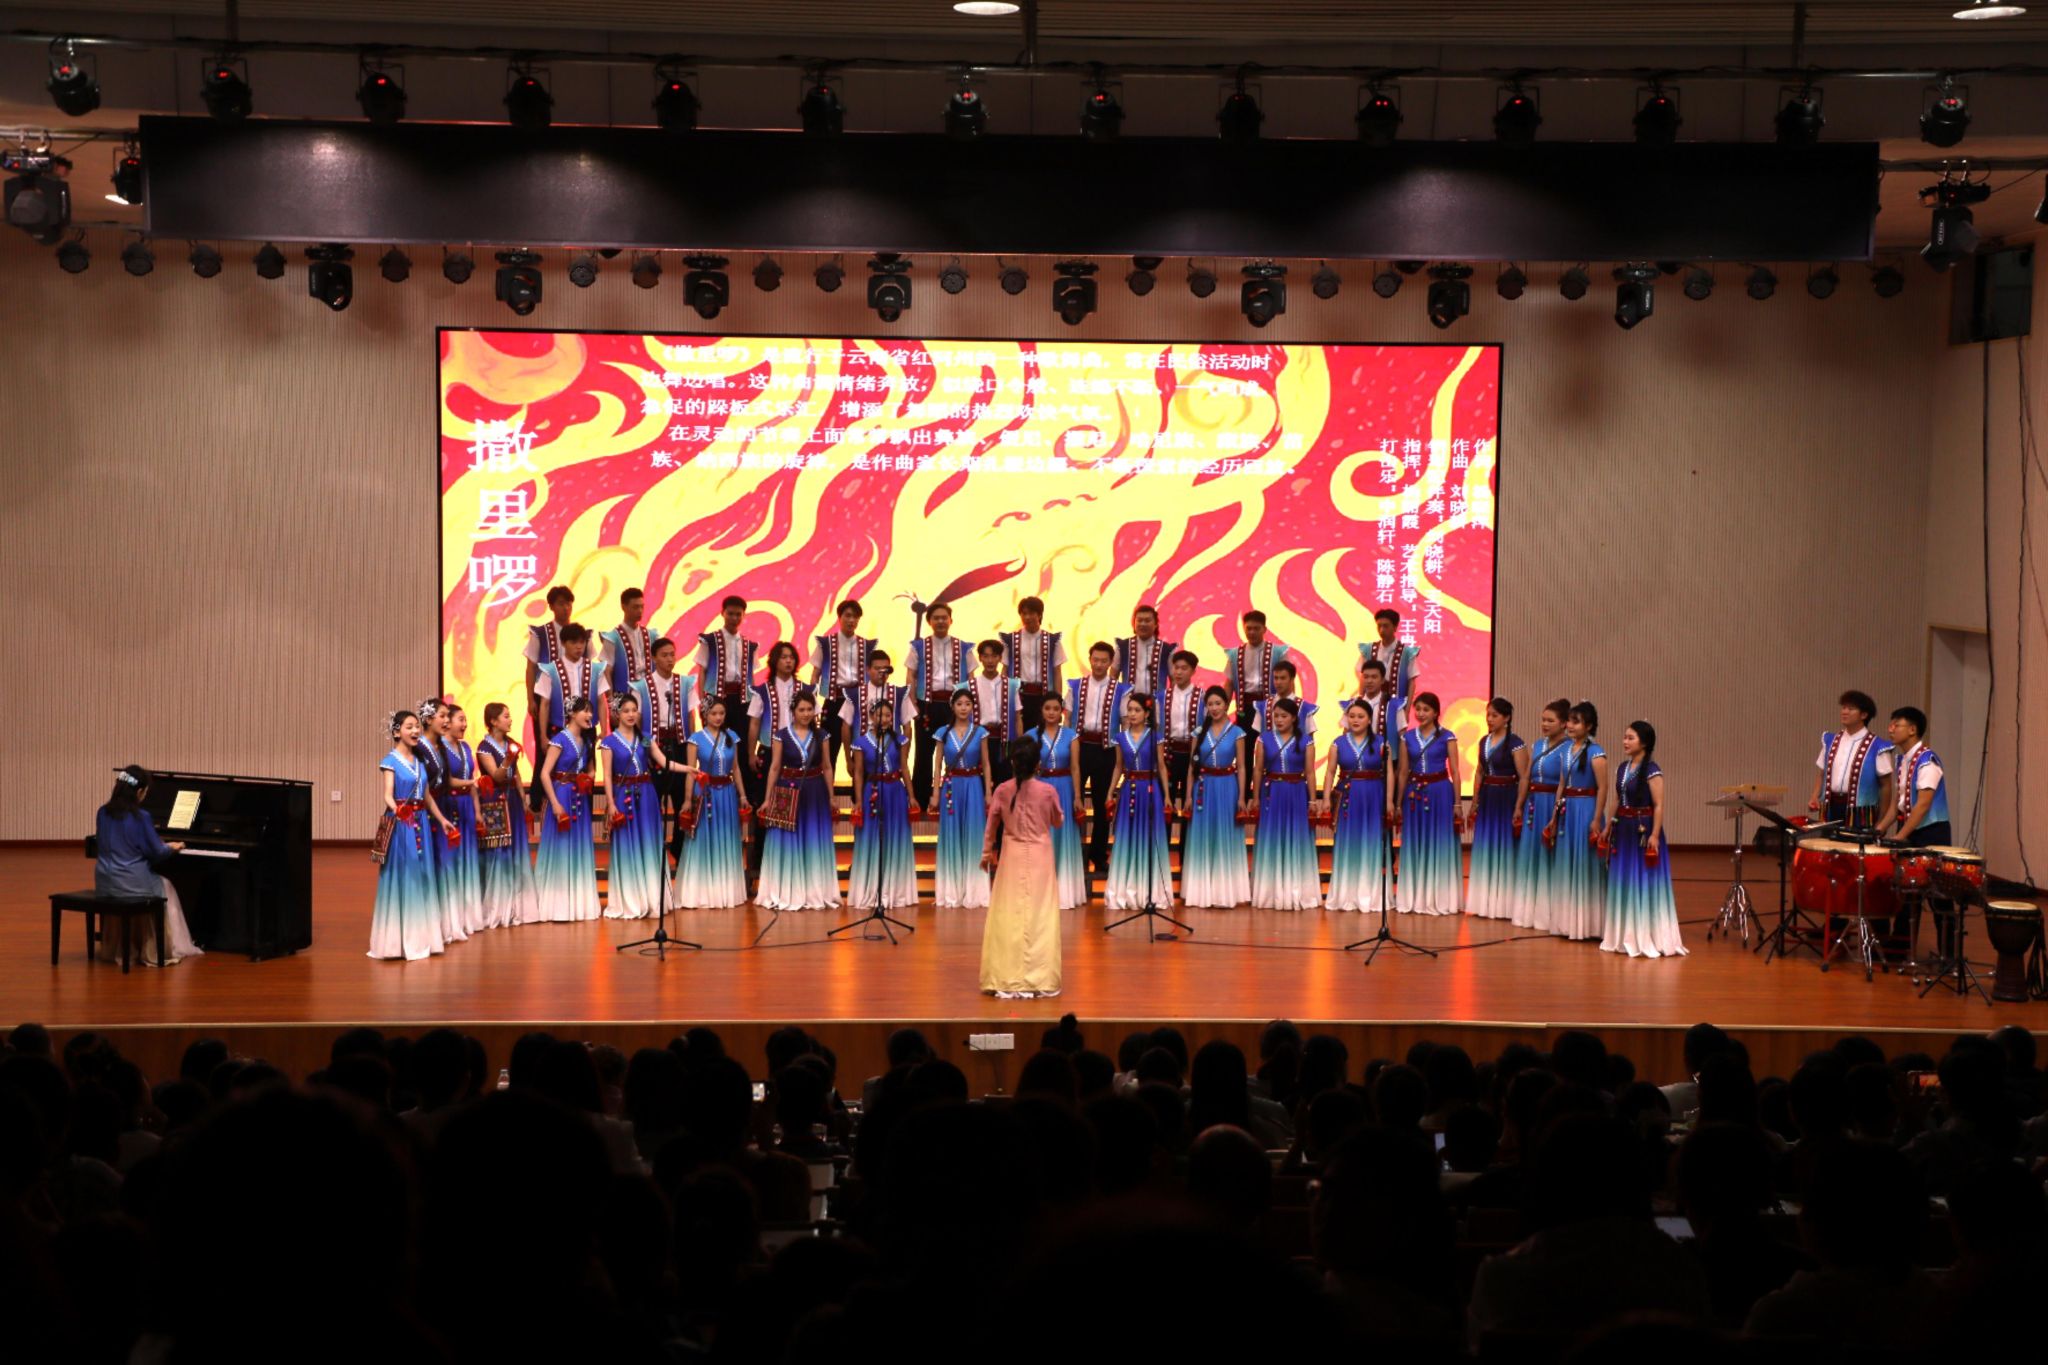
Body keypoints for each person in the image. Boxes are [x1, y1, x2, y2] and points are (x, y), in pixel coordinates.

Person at [980, 736, 1066, 998]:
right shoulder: (1048, 791)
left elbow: (991, 827)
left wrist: (986, 853)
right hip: (1040, 856)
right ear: (1038, 764)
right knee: (1040, 916)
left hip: (1012, 857)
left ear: (1013, 763)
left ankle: (1004, 976)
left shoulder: (1002, 790)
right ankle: (1040, 977)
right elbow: (1058, 821)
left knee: (1008, 914)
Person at [94, 765, 203, 966]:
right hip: (131, 882)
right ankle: (166, 947)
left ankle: (122, 946)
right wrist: (172, 847)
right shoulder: (140, 816)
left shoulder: (103, 812)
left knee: (157, 880)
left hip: (105, 882)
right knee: (167, 886)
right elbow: (157, 852)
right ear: (139, 792)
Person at [369, 712, 451, 961]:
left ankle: (422, 937)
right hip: (402, 823)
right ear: (396, 732)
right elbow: (387, 794)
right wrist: (397, 810)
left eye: (417, 727)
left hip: (421, 822)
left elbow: (427, 797)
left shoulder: (420, 762)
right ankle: (398, 941)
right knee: (405, 875)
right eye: (409, 727)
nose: (415, 731)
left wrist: (442, 820)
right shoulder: (390, 761)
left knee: (423, 874)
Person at [1603, 720, 1686, 958]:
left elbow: (1658, 805)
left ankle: (1647, 933)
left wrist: (1655, 835)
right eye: (1625, 737)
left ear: (1645, 743)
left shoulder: (1652, 770)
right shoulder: (1622, 768)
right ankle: (1624, 933)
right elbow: (1617, 800)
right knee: (1623, 878)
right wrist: (1609, 825)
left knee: (1642, 879)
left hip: (1642, 830)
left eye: (1631, 738)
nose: (1625, 741)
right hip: (1623, 829)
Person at [599, 691, 681, 921]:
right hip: (623, 796)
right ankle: (632, 900)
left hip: (646, 795)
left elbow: (663, 761)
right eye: (626, 711)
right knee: (628, 844)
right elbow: (607, 776)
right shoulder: (608, 742)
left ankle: (653, 898)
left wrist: (688, 769)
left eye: (634, 710)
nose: (631, 714)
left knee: (649, 843)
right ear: (616, 714)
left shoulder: (645, 738)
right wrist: (610, 803)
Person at [758, 693, 839, 910]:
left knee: (812, 838)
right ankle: (787, 890)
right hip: (787, 791)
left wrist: (831, 796)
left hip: (815, 791)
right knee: (787, 841)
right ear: (793, 711)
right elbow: (775, 767)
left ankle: (814, 891)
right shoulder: (781, 735)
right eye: (801, 710)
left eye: (809, 709)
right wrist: (767, 799)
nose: (806, 714)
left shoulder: (822, 735)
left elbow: (827, 766)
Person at [748, 642, 814, 889]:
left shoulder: (806, 689)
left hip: (800, 755)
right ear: (774, 661)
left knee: (801, 809)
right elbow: (754, 723)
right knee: (767, 809)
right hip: (769, 753)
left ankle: (799, 869)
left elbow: (814, 721)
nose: (788, 661)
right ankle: (764, 869)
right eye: (783, 657)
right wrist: (751, 753)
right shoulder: (762, 690)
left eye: (792, 657)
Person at [1393, 691, 1464, 915]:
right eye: (1418, 709)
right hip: (1414, 795)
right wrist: (1398, 803)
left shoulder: (1448, 737)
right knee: (1415, 841)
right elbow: (1403, 772)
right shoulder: (1407, 738)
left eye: (1426, 709)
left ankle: (1439, 897)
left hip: (1440, 793)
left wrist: (1458, 803)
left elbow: (1455, 771)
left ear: (1435, 713)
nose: (1421, 713)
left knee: (1438, 841)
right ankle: (1414, 897)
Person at [675, 696, 747, 908]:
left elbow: (736, 769)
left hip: (727, 793)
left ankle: (725, 890)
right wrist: (687, 799)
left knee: (726, 837)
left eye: (721, 713)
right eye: (714, 713)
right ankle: (702, 892)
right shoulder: (695, 739)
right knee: (703, 839)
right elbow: (691, 772)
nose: (718, 717)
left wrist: (742, 795)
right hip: (705, 793)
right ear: (705, 715)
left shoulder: (732, 736)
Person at [1181, 685, 1250, 909]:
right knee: (1203, 836)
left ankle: (1224, 893)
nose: (1214, 708)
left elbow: (1242, 766)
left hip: (1228, 787)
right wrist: (1188, 795)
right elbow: (1191, 767)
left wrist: (1242, 797)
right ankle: (1201, 892)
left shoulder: (1237, 732)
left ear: (1227, 705)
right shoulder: (1198, 732)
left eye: (1218, 703)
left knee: (1225, 835)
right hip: (1203, 787)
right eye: (1210, 704)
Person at [535, 696, 602, 923]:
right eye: (585, 711)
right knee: (562, 846)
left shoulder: (587, 741)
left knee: (579, 844)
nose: (590, 715)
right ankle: (559, 905)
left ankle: (579, 902)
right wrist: (554, 803)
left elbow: (591, 769)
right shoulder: (559, 740)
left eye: (591, 711)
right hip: (562, 795)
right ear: (572, 713)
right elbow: (545, 774)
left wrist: (588, 777)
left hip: (579, 796)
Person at [1546, 700, 1609, 941]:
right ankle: (1567, 923)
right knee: (1567, 862)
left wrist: (1596, 819)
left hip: (1586, 809)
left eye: (1576, 722)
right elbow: (1561, 785)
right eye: (1569, 721)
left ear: (1589, 726)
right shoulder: (1566, 751)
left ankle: (1589, 925)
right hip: (1568, 811)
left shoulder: (1596, 753)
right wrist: (1554, 816)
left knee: (1585, 863)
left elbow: (1603, 788)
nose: (1570, 726)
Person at [1252, 697, 1322, 910]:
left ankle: (1297, 892)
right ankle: (1270, 893)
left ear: (1293, 718)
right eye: (1276, 716)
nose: (1279, 720)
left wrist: (1313, 800)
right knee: (1271, 838)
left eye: (1284, 716)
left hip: (1296, 793)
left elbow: (1310, 772)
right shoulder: (1264, 739)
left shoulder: (1306, 741)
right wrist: (1255, 797)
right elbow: (1258, 769)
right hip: (1271, 793)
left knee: (1296, 838)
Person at [847, 699, 918, 911]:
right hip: (872, 792)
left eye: (888, 715)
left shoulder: (900, 740)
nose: (884, 719)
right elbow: (859, 773)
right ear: (871, 716)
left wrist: (911, 795)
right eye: (879, 715)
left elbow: (904, 768)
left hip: (895, 791)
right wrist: (858, 800)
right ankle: (870, 889)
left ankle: (894, 889)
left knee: (894, 837)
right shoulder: (860, 742)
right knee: (871, 837)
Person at [1106, 692, 1174, 910]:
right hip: (1129, 790)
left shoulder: (1155, 737)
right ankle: (1125, 889)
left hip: (1150, 790)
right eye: (1130, 710)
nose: (1132, 714)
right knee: (1127, 836)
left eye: (1137, 710)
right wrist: (1111, 792)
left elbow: (1161, 766)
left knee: (1149, 835)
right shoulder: (1120, 738)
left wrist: (1167, 795)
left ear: (1147, 714)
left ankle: (1149, 889)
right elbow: (1118, 766)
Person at [1069, 642, 1131, 881]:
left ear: (1110, 663)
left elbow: (1125, 722)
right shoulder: (1075, 685)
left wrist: (1125, 751)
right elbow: (1067, 720)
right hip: (1080, 748)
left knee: (1103, 805)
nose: (1098, 664)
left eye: (1104, 661)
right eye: (1095, 659)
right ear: (1090, 659)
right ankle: (1074, 854)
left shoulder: (1121, 689)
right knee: (1073, 800)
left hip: (1107, 751)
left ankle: (1098, 854)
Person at [1322, 698, 1390, 913]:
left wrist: (1389, 801)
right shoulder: (1338, 743)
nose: (1355, 720)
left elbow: (1390, 773)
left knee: (1371, 842)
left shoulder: (1382, 743)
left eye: (1361, 716)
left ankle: (1370, 896)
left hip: (1373, 796)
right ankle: (1346, 895)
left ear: (1370, 719)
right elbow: (1330, 772)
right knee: (1348, 843)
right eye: (1351, 716)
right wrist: (1326, 798)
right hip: (1348, 798)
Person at [475, 702, 540, 928]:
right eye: (505, 716)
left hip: (512, 800)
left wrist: (523, 798)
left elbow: (516, 775)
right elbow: (497, 776)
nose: (510, 720)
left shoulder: (510, 743)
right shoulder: (484, 747)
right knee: (498, 849)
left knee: (516, 848)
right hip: (494, 802)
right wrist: (509, 759)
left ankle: (518, 905)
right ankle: (497, 906)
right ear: (493, 721)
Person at [1466, 698, 1529, 921]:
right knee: (1486, 844)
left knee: (1505, 846)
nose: (1489, 719)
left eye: (1495, 715)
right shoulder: (1484, 741)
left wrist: (1519, 806)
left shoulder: (1516, 743)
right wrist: (1475, 801)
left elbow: (1524, 777)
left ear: (1507, 718)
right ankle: (1484, 901)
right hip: (1488, 798)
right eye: (1488, 714)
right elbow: (1479, 772)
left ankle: (1505, 904)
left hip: (1506, 798)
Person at [1514, 699, 1572, 934]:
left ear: (1564, 723)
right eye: (1543, 720)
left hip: (1552, 805)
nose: (1544, 724)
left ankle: (1551, 914)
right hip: (1533, 804)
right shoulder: (1538, 745)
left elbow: (1565, 783)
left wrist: (1557, 812)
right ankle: (1529, 912)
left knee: (1550, 856)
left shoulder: (1569, 748)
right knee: (1531, 855)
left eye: (1550, 720)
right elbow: (1526, 777)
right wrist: (1519, 805)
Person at [910, 600, 974, 810]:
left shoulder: (964, 648)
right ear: (929, 621)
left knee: (956, 750)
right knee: (924, 752)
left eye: (944, 618)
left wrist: (969, 706)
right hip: (927, 706)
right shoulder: (918, 646)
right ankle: (921, 799)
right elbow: (910, 676)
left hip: (955, 707)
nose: (940, 621)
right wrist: (913, 704)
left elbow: (971, 678)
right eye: (936, 618)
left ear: (950, 621)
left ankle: (954, 797)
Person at [935, 688, 994, 909]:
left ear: (972, 707)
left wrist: (988, 792)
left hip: (974, 785)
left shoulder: (981, 732)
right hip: (951, 786)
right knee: (951, 835)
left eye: (967, 704)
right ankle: (951, 891)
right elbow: (937, 765)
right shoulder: (942, 732)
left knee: (974, 835)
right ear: (952, 706)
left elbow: (986, 763)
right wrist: (935, 792)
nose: (963, 708)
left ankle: (975, 891)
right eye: (959, 704)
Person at [414, 699, 467, 946]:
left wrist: (472, 783)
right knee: (428, 866)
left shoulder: (440, 747)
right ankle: (425, 927)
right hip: (426, 812)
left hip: (442, 807)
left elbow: (446, 782)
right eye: (442, 716)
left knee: (444, 864)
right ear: (427, 719)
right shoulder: (419, 748)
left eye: (448, 716)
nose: (446, 721)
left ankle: (444, 925)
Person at [523, 583, 582, 797]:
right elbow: (531, 668)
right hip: (546, 698)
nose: (566, 608)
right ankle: (538, 799)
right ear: (551, 606)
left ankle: (574, 792)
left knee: (578, 747)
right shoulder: (540, 633)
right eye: (561, 604)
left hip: (576, 702)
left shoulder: (581, 634)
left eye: (569, 604)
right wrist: (531, 699)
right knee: (545, 747)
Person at [641, 637, 698, 861]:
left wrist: (692, 745)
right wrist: (645, 750)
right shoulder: (642, 685)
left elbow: (691, 716)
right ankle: (654, 849)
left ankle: (679, 848)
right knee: (653, 797)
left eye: (672, 654)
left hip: (679, 743)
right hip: (654, 746)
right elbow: (638, 722)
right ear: (654, 658)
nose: (669, 659)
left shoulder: (685, 683)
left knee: (682, 796)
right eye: (664, 655)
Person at [438, 703, 488, 937]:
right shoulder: (441, 748)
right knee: (453, 858)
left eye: (466, 720)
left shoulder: (466, 747)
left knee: (469, 857)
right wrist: (472, 783)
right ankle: (452, 916)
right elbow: (447, 781)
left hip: (468, 805)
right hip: (450, 806)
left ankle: (469, 916)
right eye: (461, 720)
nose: (465, 724)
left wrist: (477, 812)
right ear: (447, 722)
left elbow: (472, 781)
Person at [809, 598, 873, 779]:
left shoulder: (866, 646)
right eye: (848, 616)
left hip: (858, 702)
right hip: (834, 700)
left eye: (855, 617)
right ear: (839, 617)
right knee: (829, 749)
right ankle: (827, 793)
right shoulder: (825, 644)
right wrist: (812, 703)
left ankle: (860, 793)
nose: (851, 620)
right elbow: (815, 674)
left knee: (861, 748)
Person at [1808, 689, 1888, 831]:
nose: (1844, 712)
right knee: (1828, 843)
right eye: (1843, 707)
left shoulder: (1877, 746)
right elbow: (1822, 773)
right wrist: (1815, 796)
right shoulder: (1830, 741)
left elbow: (1886, 786)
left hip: (1861, 813)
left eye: (1850, 709)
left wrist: (1882, 821)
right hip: (1831, 807)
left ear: (1864, 715)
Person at [1874, 706, 1951, 847]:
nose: (1890, 730)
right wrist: (1878, 830)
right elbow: (1896, 804)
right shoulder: (1903, 760)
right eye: (1890, 725)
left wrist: (1900, 837)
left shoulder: (1927, 761)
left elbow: (1923, 805)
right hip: (1908, 828)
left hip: (1929, 832)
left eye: (1896, 725)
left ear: (1912, 730)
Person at [1003, 596, 1067, 737]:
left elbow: (1057, 672)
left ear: (1039, 614)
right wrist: (1004, 696)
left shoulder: (1052, 641)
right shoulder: (1011, 640)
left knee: (1042, 735)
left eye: (1031, 613)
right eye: (1024, 613)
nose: (1027, 617)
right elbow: (1005, 670)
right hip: (1019, 695)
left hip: (1043, 695)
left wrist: (1058, 700)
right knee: (1018, 735)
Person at [694, 594, 758, 726]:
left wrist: (754, 702)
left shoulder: (750, 646)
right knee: (716, 736)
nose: (734, 618)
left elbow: (751, 677)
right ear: (722, 613)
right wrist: (702, 702)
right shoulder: (709, 641)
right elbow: (702, 672)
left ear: (744, 615)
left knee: (742, 736)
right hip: (715, 699)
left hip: (742, 701)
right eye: (730, 613)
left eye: (738, 614)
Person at [599, 587, 657, 729]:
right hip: (624, 698)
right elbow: (606, 672)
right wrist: (612, 704)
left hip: (648, 697)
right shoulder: (612, 638)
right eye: (635, 607)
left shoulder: (652, 635)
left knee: (649, 737)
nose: (640, 611)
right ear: (623, 607)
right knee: (625, 739)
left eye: (642, 607)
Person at [1158, 649, 1205, 821]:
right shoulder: (1162, 697)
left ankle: (1187, 838)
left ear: (1193, 671)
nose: (1178, 672)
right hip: (1169, 755)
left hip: (1192, 755)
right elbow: (1157, 727)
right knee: (1166, 802)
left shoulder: (1202, 697)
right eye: (1176, 668)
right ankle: (1164, 838)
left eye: (1184, 668)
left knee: (1189, 802)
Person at [844, 649, 915, 762]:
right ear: (868, 670)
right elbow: (845, 727)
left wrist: (904, 757)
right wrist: (848, 759)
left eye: (885, 669)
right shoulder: (855, 694)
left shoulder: (900, 694)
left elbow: (907, 727)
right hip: (861, 756)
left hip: (892, 756)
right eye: (877, 669)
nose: (882, 673)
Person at [1224, 610, 1288, 731]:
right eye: (1249, 628)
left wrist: (1288, 709)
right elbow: (1229, 684)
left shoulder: (1279, 653)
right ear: (1244, 629)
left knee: (1270, 742)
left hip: (1272, 709)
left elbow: (1288, 683)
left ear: (1264, 629)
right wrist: (1223, 710)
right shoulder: (1234, 654)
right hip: (1244, 710)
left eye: (1256, 628)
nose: (1252, 632)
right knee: (1245, 741)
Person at [967, 638, 1017, 785]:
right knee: (981, 782)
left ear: (1000, 658)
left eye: (994, 656)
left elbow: (1017, 717)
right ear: (980, 658)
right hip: (979, 740)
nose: (990, 661)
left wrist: (1018, 744)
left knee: (1004, 781)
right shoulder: (970, 685)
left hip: (1003, 741)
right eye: (986, 656)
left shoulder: (1011, 685)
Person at [1358, 608, 1419, 723]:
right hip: (1370, 707)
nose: (1382, 630)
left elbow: (1412, 683)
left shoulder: (1407, 652)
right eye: (1379, 626)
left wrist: (1406, 711)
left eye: (1386, 626)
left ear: (1395, 627)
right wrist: (1360, 701)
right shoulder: (1368, 650)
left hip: (1396, 708)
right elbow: (1362, 677)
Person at [1115, 604, 1177, 697]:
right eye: (1139, 620)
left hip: (1156, 703)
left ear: (1155, 624)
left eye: (1147, 620)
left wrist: (1171, 700)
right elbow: (1113, 676)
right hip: (1128, 702)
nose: (1143, 624)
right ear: (1134, 623)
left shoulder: (1166, 650)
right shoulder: (1122, 647)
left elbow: (1174, 680)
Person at [1253, 659, 1318, 739]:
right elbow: (1259, 738)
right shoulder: (1262, 707)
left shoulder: (1305, 708)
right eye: (1276, 678)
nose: (1278, 682)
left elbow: (1310, 740)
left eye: (1283, 678)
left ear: (1292, 679)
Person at [1356, 658, 1398, 745]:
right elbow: (1346, 734)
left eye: (1374, 677)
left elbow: (1401, 737)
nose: (1369, 681)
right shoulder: (1353, 705)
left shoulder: (1394, 705)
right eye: (1366, 677)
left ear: (1382, 680)